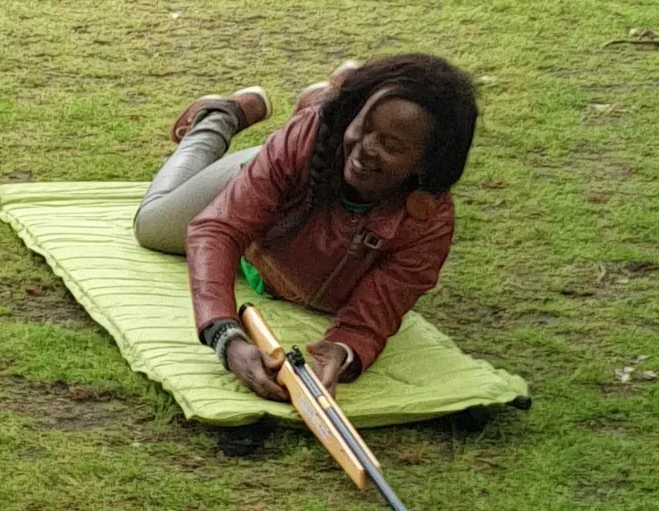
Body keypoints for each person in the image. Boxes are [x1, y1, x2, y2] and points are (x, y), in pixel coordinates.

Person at [134, 53, 478, 401]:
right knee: (151, 224)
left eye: (391, 145)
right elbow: (219, 229)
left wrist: (343, 351)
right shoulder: (308, 138)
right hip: (261, 170)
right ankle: (218, 117)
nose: (366, 148)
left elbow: (377, 311)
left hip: (286, 226)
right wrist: (225, 336)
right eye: (364, 125)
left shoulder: (428, 222)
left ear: (426, 163)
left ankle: (327, 94)